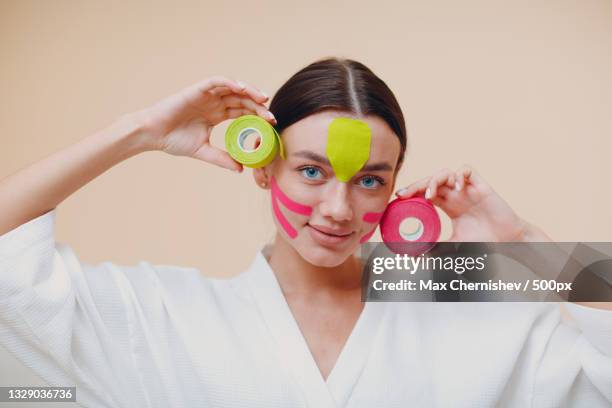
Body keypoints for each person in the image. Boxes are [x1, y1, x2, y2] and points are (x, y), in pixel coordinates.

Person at [0, 58, 610, 407]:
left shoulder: (453, 310)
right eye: (311, 171)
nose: (338, 209)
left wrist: (523, 240)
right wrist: (137, 131)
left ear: (397, 187)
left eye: (370, 180)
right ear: (263, 165)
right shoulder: (169, 317)